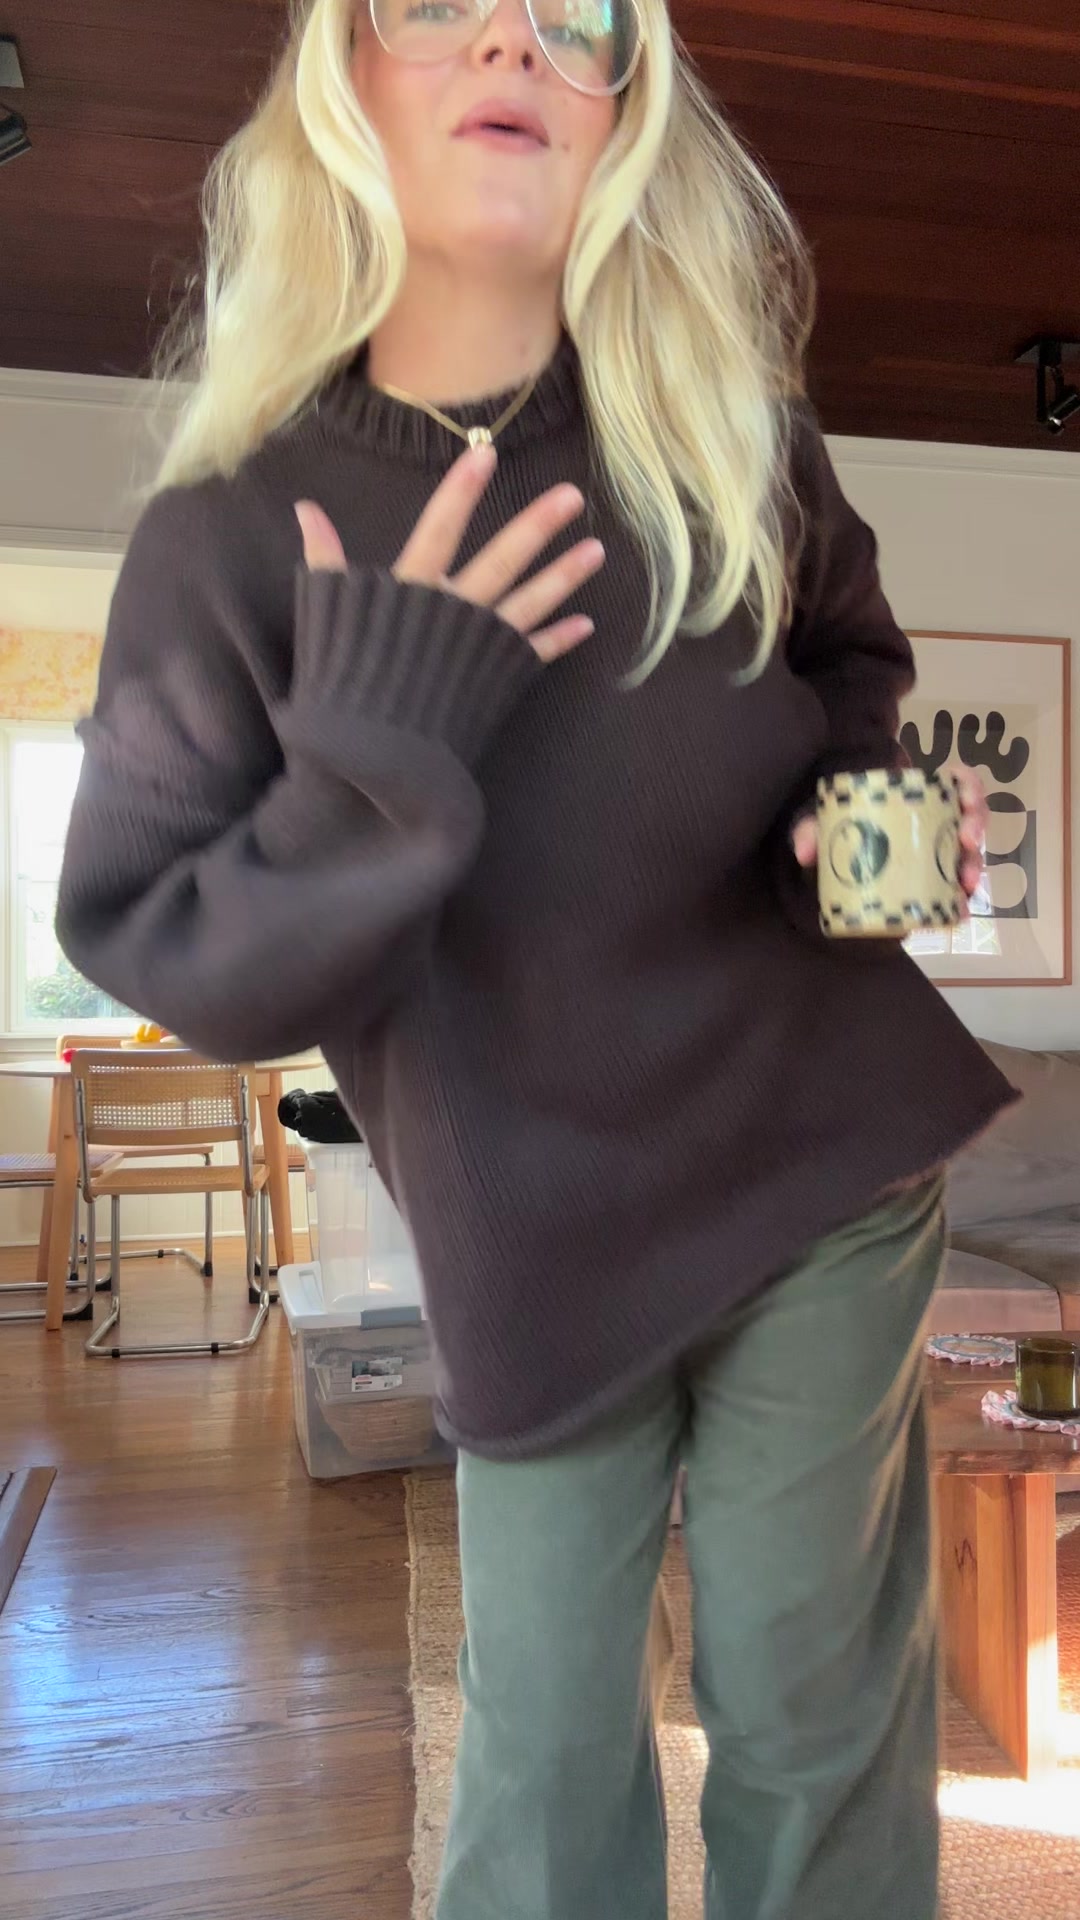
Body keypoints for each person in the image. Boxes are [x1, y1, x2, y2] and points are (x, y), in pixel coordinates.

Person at [57, 0, 1016, 1913]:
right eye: (438, 0)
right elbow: (176, 952)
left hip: (821, 1166)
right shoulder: (231, 534)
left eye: (575, 17)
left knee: (815, 1718)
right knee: (549, 1759)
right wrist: (384, 758)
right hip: (529, 1227)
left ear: (623, 105)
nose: (511, 39)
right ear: (345, 73)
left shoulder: (731, 437)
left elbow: (850, 670)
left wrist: (871, 835)